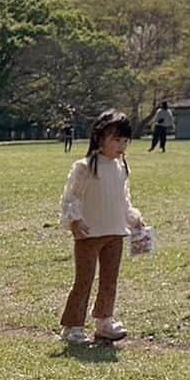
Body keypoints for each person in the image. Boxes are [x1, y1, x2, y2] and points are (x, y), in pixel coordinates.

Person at [58, 109, 146, 345]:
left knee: (110, 279)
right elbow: (71, 197)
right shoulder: (85, 167)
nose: (121, 145)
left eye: (125, 140)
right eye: (116, 139)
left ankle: (104, 320)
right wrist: (74, 220)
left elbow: (123, 199)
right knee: (84, 279)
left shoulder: (122, 168)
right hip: (89, 234)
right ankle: (73, 326)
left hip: (115, 232)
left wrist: (133, 218)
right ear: (99, 137)